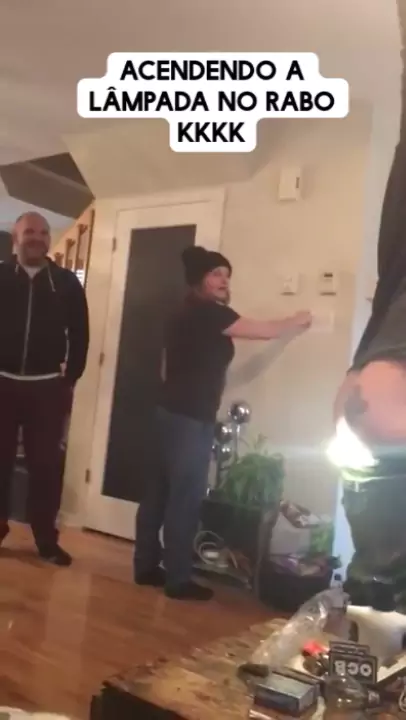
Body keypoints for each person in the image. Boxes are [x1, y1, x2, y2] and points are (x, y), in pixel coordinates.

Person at [134, 245, 312, 601]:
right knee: (185, 499)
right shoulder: (210, 313)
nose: (223, 280)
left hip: (166, 411)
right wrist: (296, 321)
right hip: (190, 418)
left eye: (227, 275)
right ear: (199, 279)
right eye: (215, 274)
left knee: (157, 494)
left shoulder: (182, 312)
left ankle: (146, 567)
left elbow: (166, 368)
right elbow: (263, 330)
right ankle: (178, 580)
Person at [0, 211, 89, 566]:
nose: (36, 238)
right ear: (16, 238)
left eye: (43, 232)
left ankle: (46, 540)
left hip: (47, 389)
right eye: (29, 232)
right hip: (2, 384)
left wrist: (71, 377)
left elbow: (80, 333)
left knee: (45, 467)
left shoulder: (66, 283)